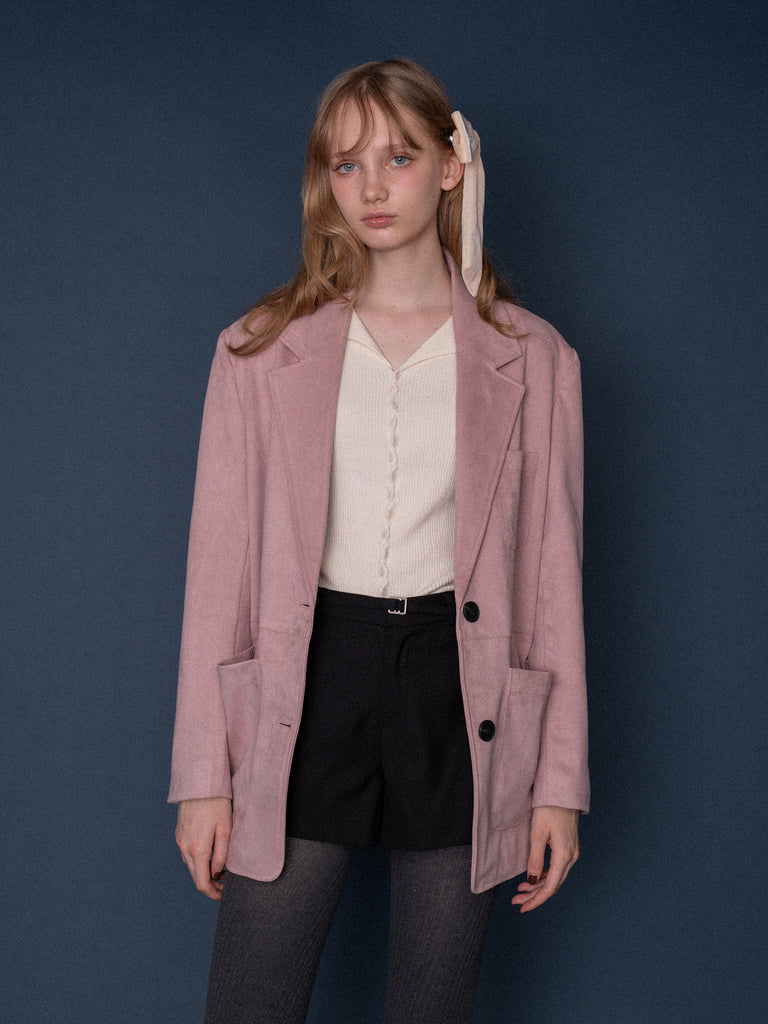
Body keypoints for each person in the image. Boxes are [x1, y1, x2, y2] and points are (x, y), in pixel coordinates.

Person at [170, 58, 589, 1024]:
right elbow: (217, 575)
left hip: (462, 692)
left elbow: (551, 581)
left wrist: (558, 785)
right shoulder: (257, 350)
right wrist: (203, 777)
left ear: (451, 165)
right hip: (308, 683)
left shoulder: (535, 358)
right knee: (250, 1005)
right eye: (346, 163)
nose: (371, 187)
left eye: (398, 158)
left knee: (433, 1008)